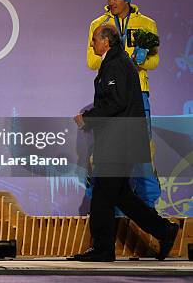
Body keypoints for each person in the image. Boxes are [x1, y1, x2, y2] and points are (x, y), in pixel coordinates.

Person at [72, 24, 178, 262]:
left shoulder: (116, 64)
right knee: (120, 194)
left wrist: (87, 118)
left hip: (119, 142)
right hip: (123, 140)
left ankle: (102, 249)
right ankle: (164, 230)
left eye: (94, 39)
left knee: (101, 194)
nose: (92, 44)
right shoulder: (116, 62)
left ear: (106, 41)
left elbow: (116, 102)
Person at [86, 0, 160, 207]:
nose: (111, 2)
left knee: (141, 152)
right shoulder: (99, 24)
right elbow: (91, 61)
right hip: (111, 92)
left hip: (139, 94)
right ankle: (107, 207)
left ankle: (148, 206)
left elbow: (155, 61)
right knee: (108, 153)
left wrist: (141, 60)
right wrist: (118, 58)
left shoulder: (147, 23)